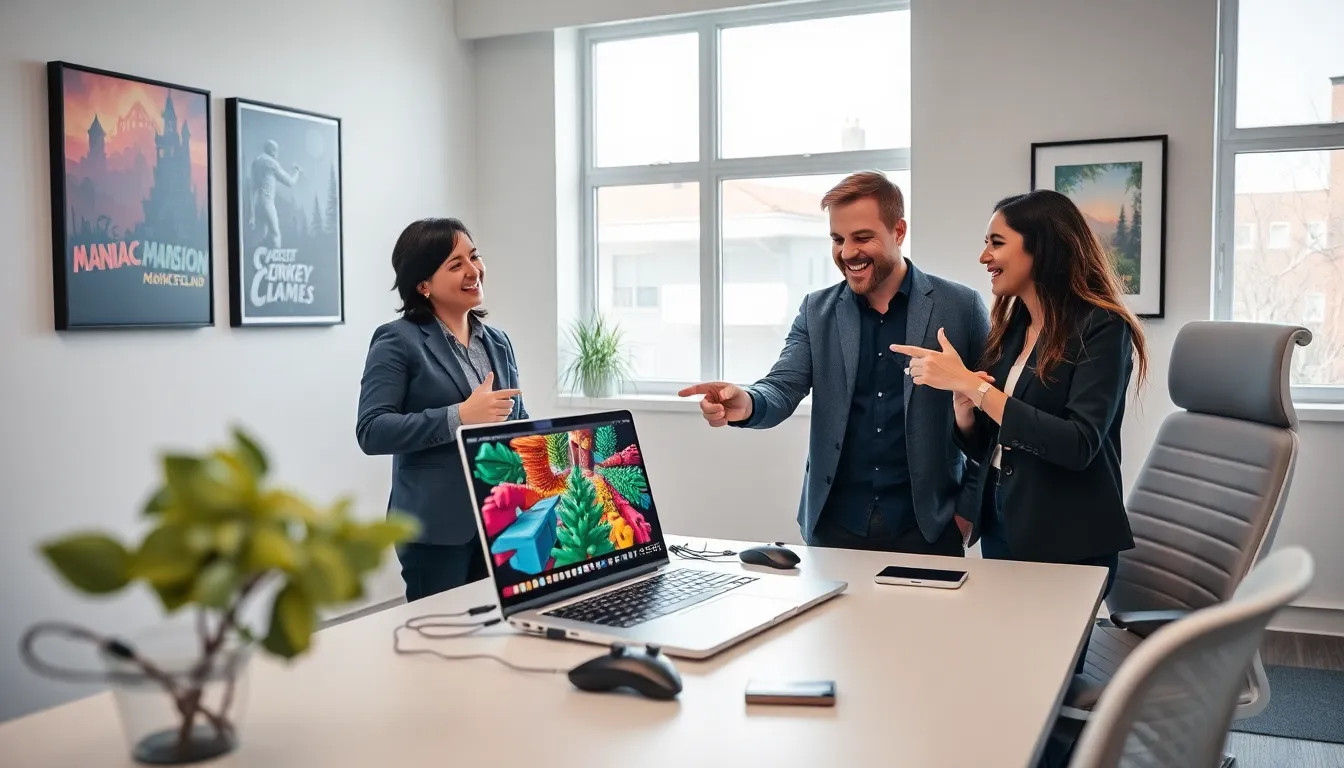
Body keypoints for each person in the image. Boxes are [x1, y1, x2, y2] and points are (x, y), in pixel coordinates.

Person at [678, 171, 990, 556]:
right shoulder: (816, 311)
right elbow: (782, 385)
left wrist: (967, 512)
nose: (847, 253)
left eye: (862, 238)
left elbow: (990, 421)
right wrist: (746, 402)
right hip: (833, 527)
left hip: (928, 527)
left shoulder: (961, 307)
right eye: (837, 239)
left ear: (899, 230)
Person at [892, 188, 1147, 617]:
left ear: (1040, 247)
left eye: (996, 243)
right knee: (1007, 664)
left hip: (1067, 540)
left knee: (1048, 679)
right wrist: (965, 406)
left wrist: (978, 390)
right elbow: (994, 446)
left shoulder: (1102, 328)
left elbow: (1078, 444)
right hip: (1003, 521)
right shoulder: (1014, 328)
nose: (983, 257)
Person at [356, 218, 528, 601]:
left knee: (497, 638)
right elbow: (371, 429)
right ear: (423, 285)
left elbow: (518, 423)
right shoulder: (397, 340)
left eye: (474, 257)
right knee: (440, 646)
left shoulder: (498, 342)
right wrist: (460, 417)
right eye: (455, 265)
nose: (473, 271)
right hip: (434, 528)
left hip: (501, 519)